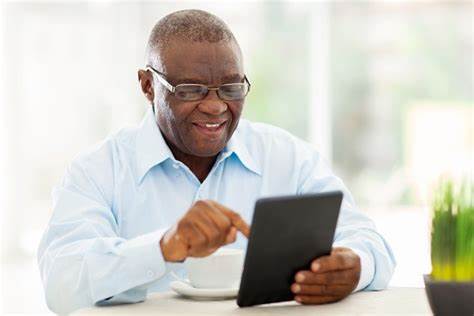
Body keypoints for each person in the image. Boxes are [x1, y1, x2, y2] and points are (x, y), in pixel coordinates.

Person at [38, 9, 395, 314]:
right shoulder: (98, 170)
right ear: (148, 86)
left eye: (232, 88)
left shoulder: (288, 158)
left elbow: (370, 241)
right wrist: (163, 247)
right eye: (190, 90)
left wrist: (355, 266)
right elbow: (61, 282)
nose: (215, 106)